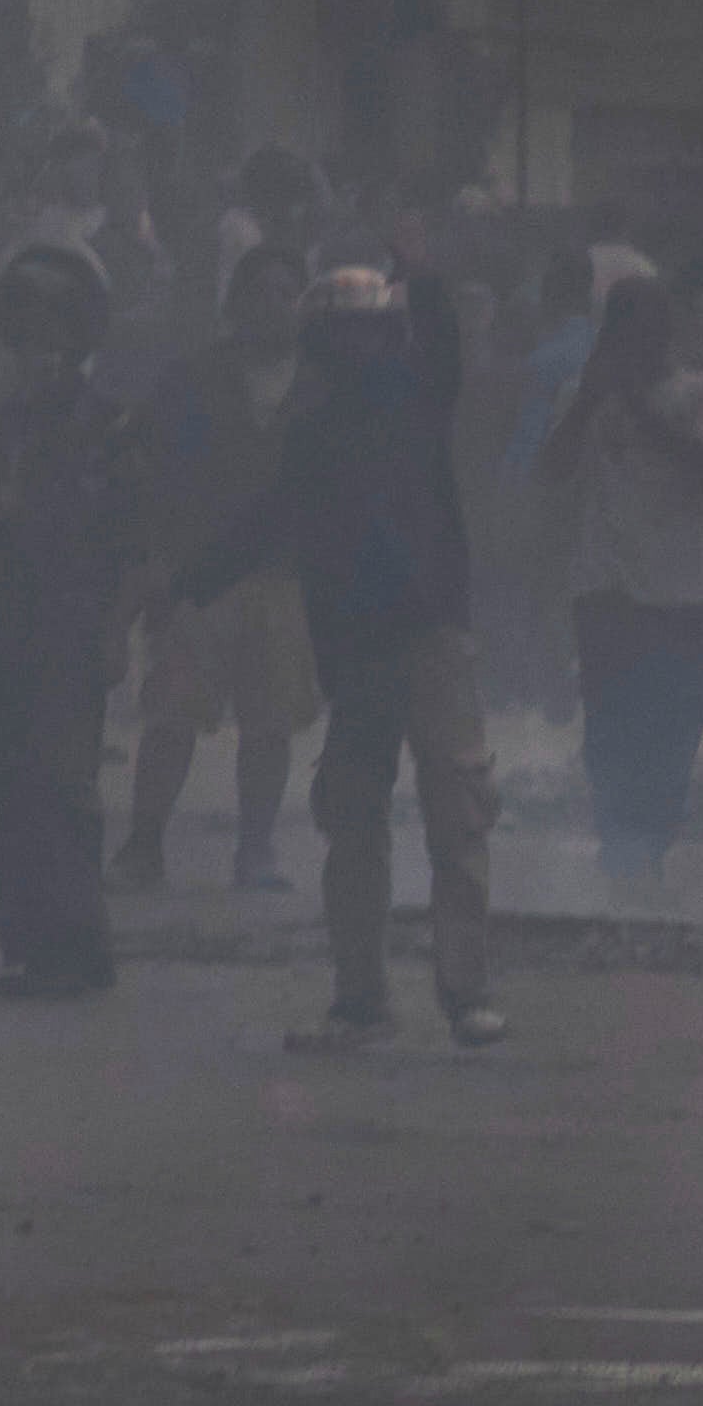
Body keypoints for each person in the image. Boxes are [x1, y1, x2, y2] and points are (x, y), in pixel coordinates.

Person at [160, 258, 498, 1044]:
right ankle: (397, 998)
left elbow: (266, 520)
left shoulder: (412, 397)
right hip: (376, 645)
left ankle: (417, 996)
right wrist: (191, 582)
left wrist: (188, 582)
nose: (355, 352)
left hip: (415, 638)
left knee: (417, 815)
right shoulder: (325, 428)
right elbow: (271, 519)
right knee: (395, 818)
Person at [0, 237, 134, 998]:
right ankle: (22, 946)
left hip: (71, 628)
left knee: (65, 792)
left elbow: (127, 541)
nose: (40, 351)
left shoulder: (108, 424)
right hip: (2, 633)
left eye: (55, 332)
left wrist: (117, 628)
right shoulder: (2, 425)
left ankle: (81, 944)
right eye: (26, 334)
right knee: (2, 798)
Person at [119, 245, 316, 894]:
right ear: (237, 304)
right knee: (172, 715)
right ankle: (143, 848)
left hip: (284, 579)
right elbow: (146, 469)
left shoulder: (322, 387)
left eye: (287, 292)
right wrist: (154, 563)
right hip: (199, 578)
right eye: (261, 291)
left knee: (270, 725)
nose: (273, 305)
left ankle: (255, 851)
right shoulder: (195, 378)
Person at [548, 329, 703, 891]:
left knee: (673, 729)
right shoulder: (581, 394)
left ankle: (649, 843)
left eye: (644, 323)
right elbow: (552, 472)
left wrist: (636, 406)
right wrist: (588, 401)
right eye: (621, 323)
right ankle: (622, 844)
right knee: (610, 728)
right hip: (606, 588)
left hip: (684, 591)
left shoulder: (702, 393)